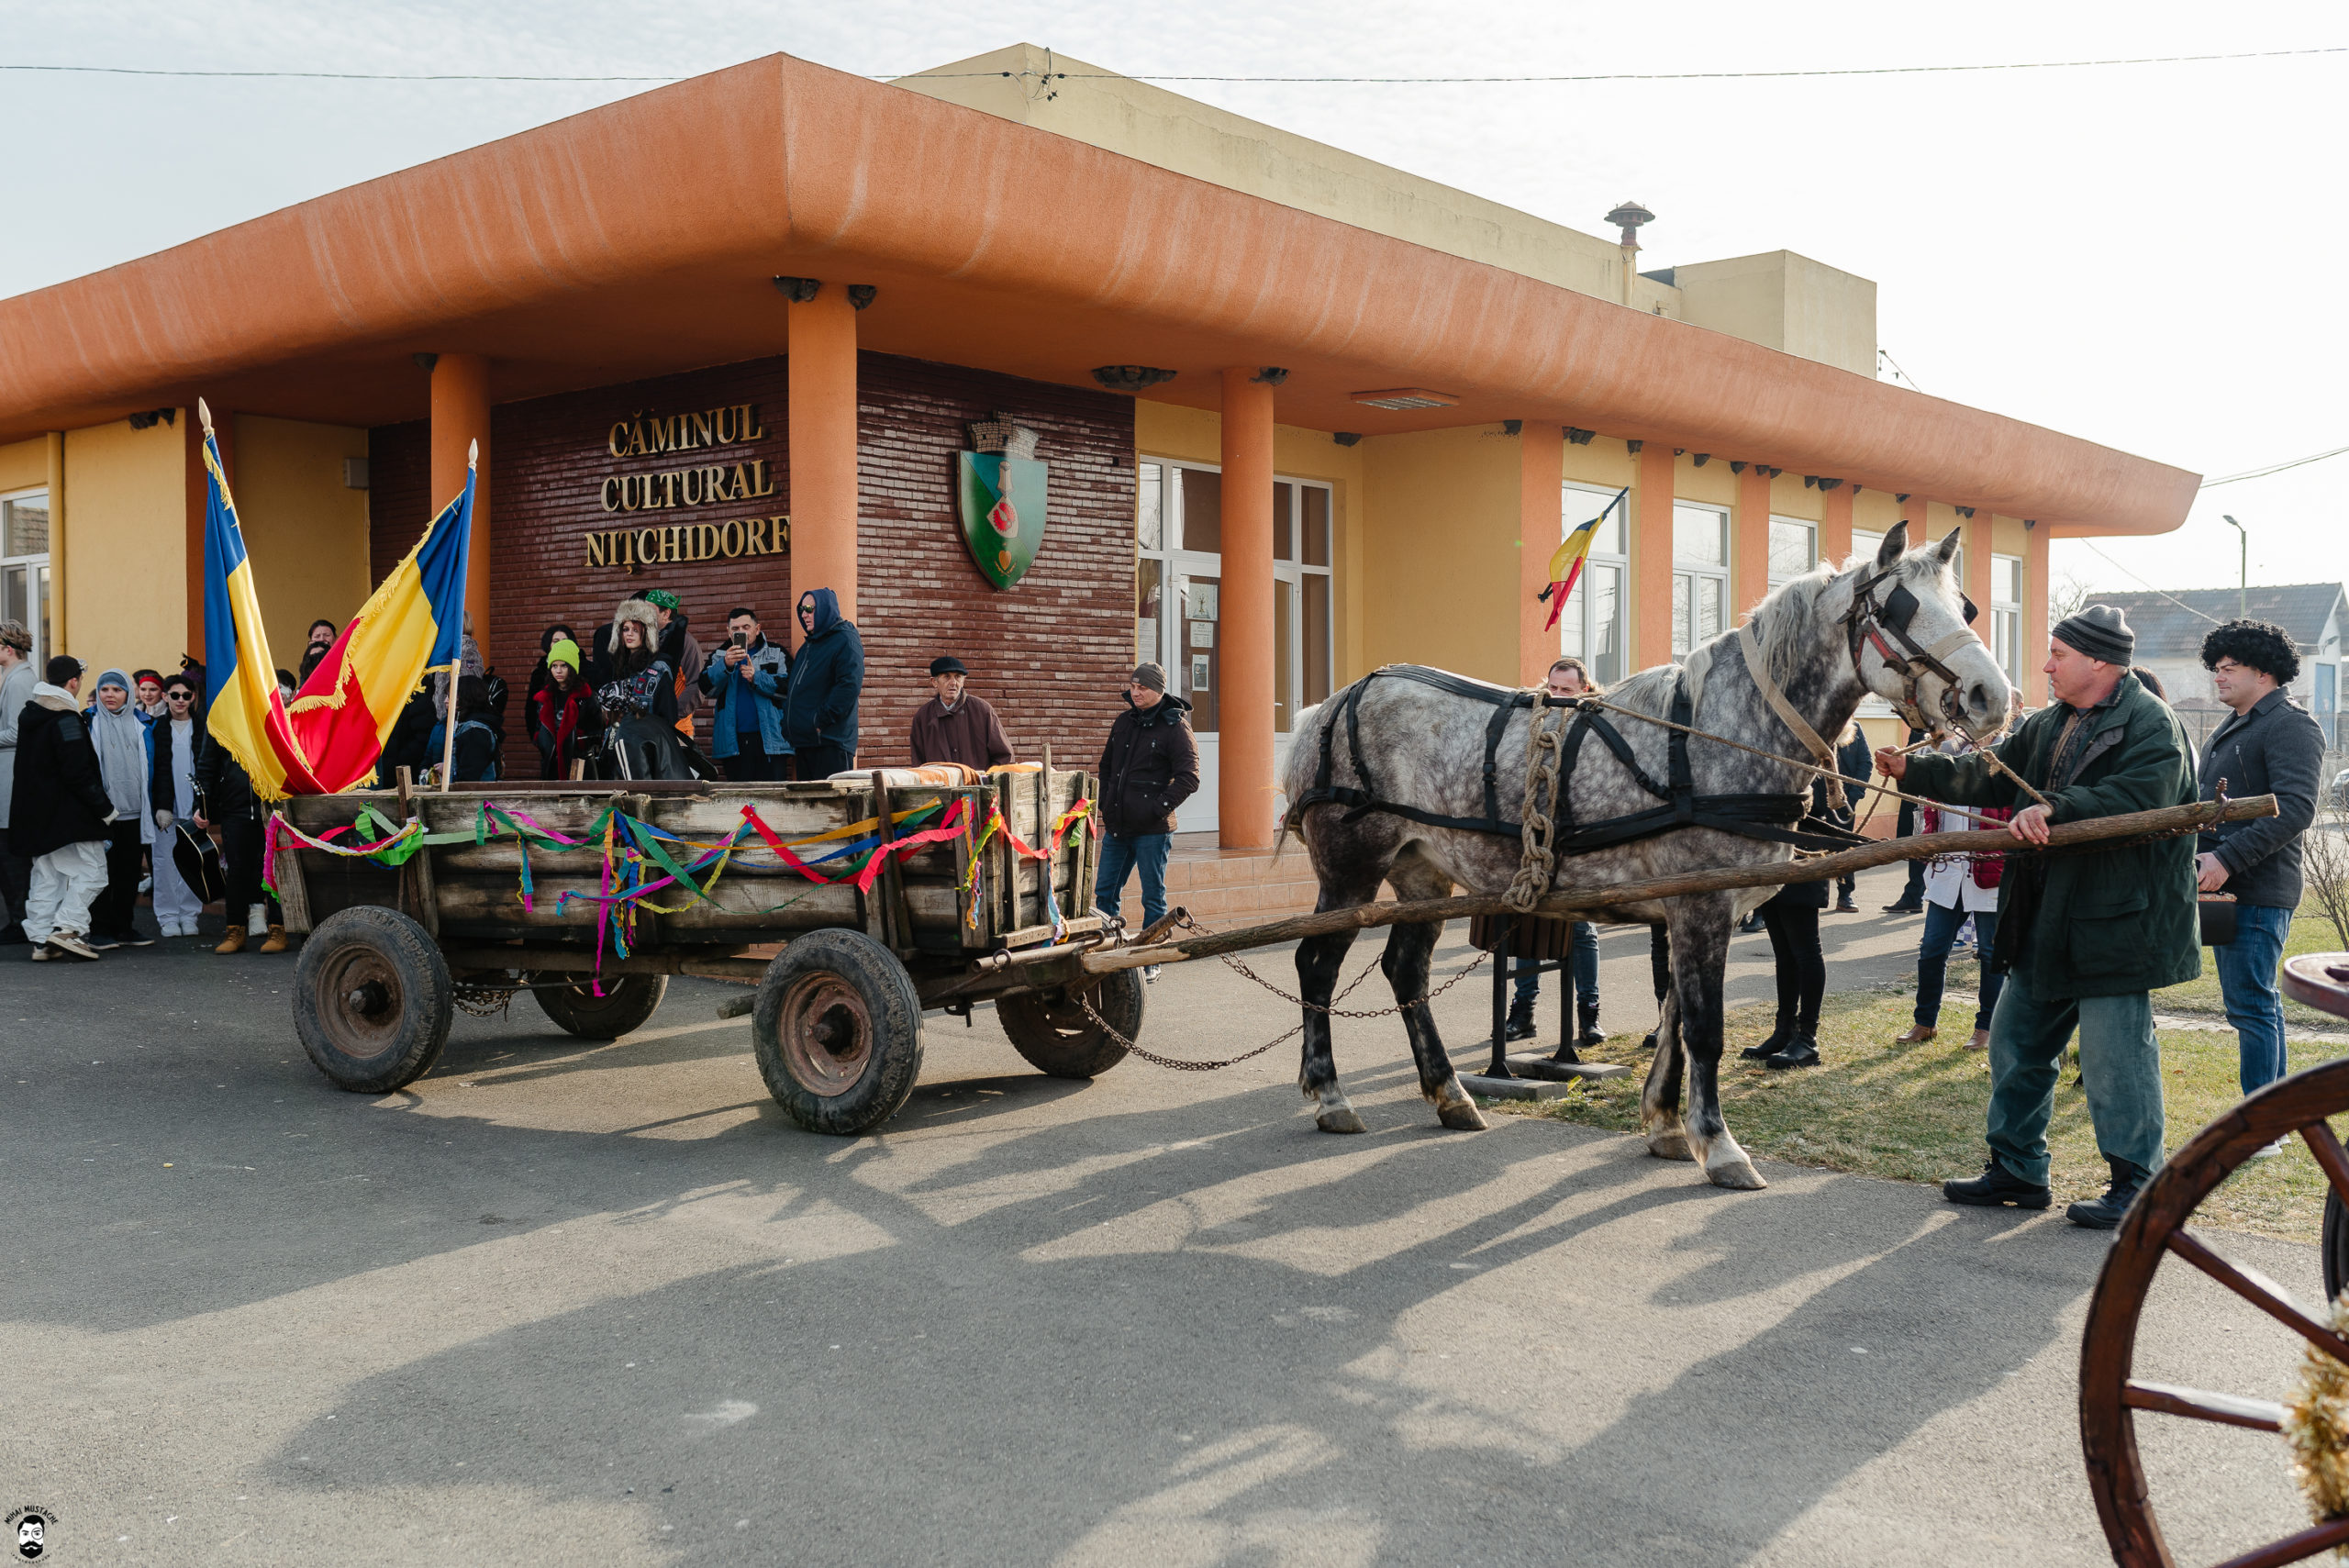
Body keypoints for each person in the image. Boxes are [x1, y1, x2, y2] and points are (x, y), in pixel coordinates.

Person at [1888, 605, 2199, 1229]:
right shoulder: (2051, 721)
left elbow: (2138, 798)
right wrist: (1915, 769)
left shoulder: (2152, 724)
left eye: (2058, 653)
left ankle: (2137, 1183)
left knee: (2117, 1061)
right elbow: (1990, 772)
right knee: (2015, 1044)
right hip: (2046, 918)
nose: (2046, 664)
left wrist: (2053, 808)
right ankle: (2019, 1170)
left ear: (2100, 662)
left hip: (2116, 923)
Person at [2194, 618, 2325, 1137]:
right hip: (2223, 887)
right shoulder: (2235, 723)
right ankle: (2269, 1114)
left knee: (2252, 1003)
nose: (2218, 678)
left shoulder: (2291, 725)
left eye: (2229, 669)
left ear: (2264, 673)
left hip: (2258, 887)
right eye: (2217, 668)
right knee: (2246, 1003)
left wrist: (2226, 859)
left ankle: (2264, 1124)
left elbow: (2294, 809)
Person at [1504, 658, 1603, 1045]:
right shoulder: (1531, 723)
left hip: (1577, 840)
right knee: (1529, 923)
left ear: (1585, 690)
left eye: (1568, 690)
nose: (1559, 697)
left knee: (1580, 928)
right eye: (1554, 689)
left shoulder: (1595, 726)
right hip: (1534, 836)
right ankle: (1523, 1012)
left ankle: (1589, 1015)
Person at [1095, 663, 1199, 978]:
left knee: (1152, 896)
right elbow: (1106, 767)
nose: (1135, 693)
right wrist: (1106, 805)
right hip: (1118, 827)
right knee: (1104, 893)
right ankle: (1109, 958)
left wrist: (1157, 808)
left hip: (1152, 830)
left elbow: (1189, 778)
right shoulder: (1124, 721)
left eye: (1142, 688)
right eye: (1133, 686)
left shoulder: (1175, 726)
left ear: (1159, 690)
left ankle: (1149, 961)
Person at [1897, 761, 2009, 1051]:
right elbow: (1928, 812)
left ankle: (1987, 1027)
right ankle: (1925, 1022)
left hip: (1989, 871)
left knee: (1990, 953)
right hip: (1947, 872)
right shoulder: (1943, 758)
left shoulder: (2005, 758)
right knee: (1932, 949)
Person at [10, 655, 117, 961]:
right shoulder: (67, 719)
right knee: (95, 873)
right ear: (73, 682)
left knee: (47, 876)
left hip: (38, 816)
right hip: (71, 816)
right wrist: (104, 808)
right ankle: (67, 929)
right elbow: (78, 772)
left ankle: (42, 939)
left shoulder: (32, 716)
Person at [1737, 773, 1837, 1070]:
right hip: (1773, 860)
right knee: (1784, 954)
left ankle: (1808, 1039)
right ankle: (1785, 1030)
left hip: (1803, 860)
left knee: (1806, 953)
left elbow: (1819, 805)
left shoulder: (1814, 755)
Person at [195, 712, 286, 955]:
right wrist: (202, 806)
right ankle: (235, 930)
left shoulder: (273, 713)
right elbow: (206, 766)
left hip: (272, 807)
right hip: (235, 808)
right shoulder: (222, 718)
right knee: (236, 871)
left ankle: (278, 927)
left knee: (274, 869)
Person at [83, 670, 155, 950]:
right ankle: (99, 929)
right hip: (103, 814)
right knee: (102, 874)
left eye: (116, 689)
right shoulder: (88, 721)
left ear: (128, 693)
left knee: (128, 875)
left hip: (135, 813)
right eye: (104, 689)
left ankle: (124, 927)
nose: (110, 695)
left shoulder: (144, 723)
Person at [594, 598, 689, 779]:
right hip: (617, 749)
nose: (629, 634)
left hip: (650, 754)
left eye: (635, 630)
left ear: (646, 633)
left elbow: (668, 717)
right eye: (625, 629)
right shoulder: (617, 667)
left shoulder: (659, 669)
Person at [698, 606, 791, 782]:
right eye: (735, 629)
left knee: (771, 799)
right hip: (734, 742)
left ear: (757, 629)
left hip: (770, 740)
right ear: (728, 632)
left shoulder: (777, 653)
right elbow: (706, 688)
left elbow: (789, 688)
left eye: (746, 627)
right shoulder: (720, 656)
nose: (741, 632)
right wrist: (725, 665)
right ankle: (749, 812)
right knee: (743, 801)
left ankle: (763, 812)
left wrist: (757, 677)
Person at [146, 673, 206, 937]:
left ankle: (190, 915)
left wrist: (204, 805)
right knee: (164, 863)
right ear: (165, 697)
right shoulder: (158, 728)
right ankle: (168, 916)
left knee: (192, 861)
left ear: (193, 698)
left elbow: (209, 770)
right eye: (175, 695)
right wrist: (161, 806)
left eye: (186, 695)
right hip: (167, 809)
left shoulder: (203, 727)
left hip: (194, 808)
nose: (180, 700)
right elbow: (156, 769)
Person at [785, 587, 864, 780]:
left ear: (826, 608)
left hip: (830, 743)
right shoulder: (809, 646)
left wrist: (819, 721)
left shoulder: (845, 640)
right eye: (802, 609)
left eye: (810, 608)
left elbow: (848, 686)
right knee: (810, 807)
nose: (804, 614)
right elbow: (796, 687)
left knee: (831, 808)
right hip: (806, 742)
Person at [909, 655, 1014, 771]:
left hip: (977, 787)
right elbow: (918, 764)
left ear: (963, 681)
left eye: (958, 677)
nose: (953, 682)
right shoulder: (923, 717)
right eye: (946, 677)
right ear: (934, 682)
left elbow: (1004, 757)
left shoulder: (982, 711)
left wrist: (987, 782)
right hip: (939, 787)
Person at [0, 618, 37, 944]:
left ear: (7, 649)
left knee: (11, 854)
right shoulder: (13, 677)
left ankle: (20, 920)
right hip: (9, 778)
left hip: (11, 781)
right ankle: (18, 918)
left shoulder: (18, 681)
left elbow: (17, 731)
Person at [640, 589, 705, 747]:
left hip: (676, 731)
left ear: (666, 613)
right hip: (645, 730)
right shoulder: (643, 640)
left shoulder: (686, 643)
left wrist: (669, 714)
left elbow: (698, 685)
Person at [1880, 724, 1930, 913]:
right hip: (1918, 798)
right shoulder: (1919, 727)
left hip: (1940, 798)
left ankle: (1917, 896)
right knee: (1917, 849)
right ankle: (1913, 896)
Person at [531, 638, 595, 780]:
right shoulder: (545, 697)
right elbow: (538, 727)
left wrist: (581, 742)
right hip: (551, 760)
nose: (558, 670)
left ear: (572, 668)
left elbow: (596, 728)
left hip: (578, 760)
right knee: (552, 798)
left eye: (563, 666)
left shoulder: (586, 695)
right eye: (554, 666)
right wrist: (540, 741)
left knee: (576, 799)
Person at [427, 675, 501, 783]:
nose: (445, 701)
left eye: (450, 696)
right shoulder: (470, 727)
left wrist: (449, 771)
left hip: (473, 797)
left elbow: (469, 776)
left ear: (465, 697)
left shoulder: (474, 730)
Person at [1831, 721, 1872, 913]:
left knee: (1845, 847)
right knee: (1806, 847)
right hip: (1814, 799)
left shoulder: (1853, 727)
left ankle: (1845, 894)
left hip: (1844, 799)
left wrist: (1855, 795)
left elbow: (1865, 762)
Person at [525, 623, 576, 713]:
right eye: (556, 641)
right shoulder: (539, 674)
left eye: (564, 640)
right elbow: (531, 707)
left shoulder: (585, 668)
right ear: (548, 644)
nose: (560, 644)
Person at [297, 619, 338, 684]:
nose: (322, 639)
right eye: (317, 636)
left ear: (335, 639)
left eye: (327, 635)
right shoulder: (308, 661)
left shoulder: (345, 660)